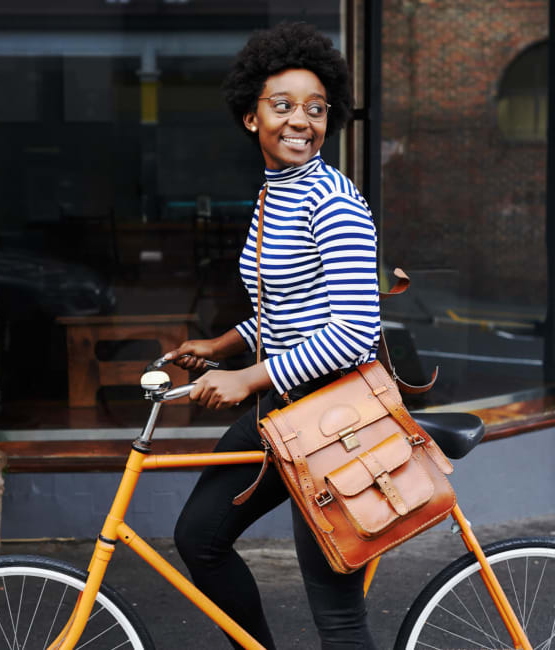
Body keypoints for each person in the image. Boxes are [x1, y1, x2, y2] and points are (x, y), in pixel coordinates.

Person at [167, 22, 380, 650]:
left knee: (337, 615)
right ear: (248, 117)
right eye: (282, 105)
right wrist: (222, 346)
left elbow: (352, 333)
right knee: (199, 539)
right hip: (279, 408)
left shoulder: (332, 200)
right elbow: (291, 309)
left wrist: (246, 377)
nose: (300, 121)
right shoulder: (275, 195)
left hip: (334, 421)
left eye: (315, 109)